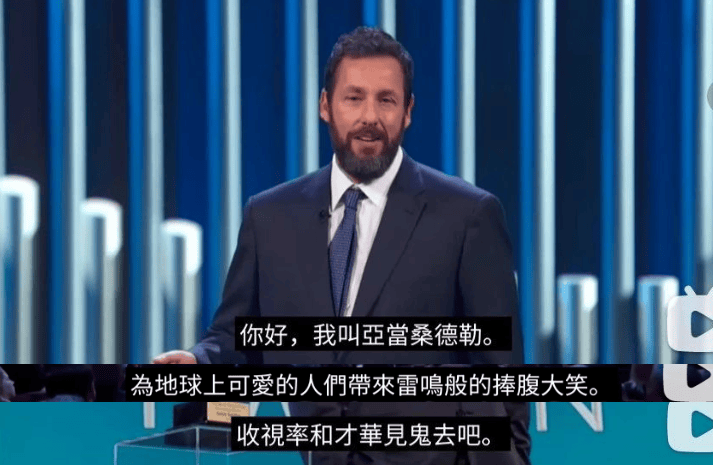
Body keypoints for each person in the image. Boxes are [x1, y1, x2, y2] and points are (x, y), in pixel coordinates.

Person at [154, 26, 529, 465]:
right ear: (325, 105)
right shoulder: (270, 216)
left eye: (386, 100)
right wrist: (199, 362)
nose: (369, 116)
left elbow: (504, 382)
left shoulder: (467, 215)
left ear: (407, 111)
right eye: (354, 98)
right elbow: (239, 337)